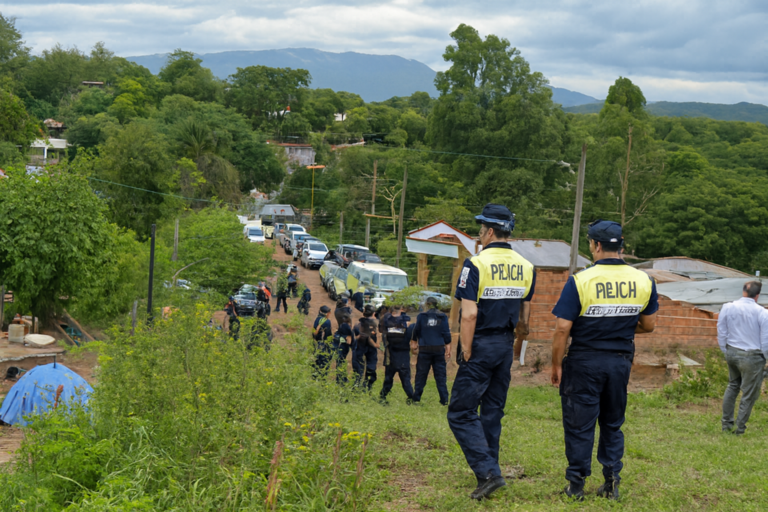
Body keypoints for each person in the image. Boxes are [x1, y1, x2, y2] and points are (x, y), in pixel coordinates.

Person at [551, 220, 658, 501]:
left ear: (596, 245)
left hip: (584, 360)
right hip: (620, 362)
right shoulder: (644, 280)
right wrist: (618, 327)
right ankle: (611, 482)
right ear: (620, 246)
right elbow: (648, 326)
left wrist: (556, 363)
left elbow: (563, 328)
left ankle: (576, 485)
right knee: (612, 423)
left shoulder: (580, 280)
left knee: (579, 423)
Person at [449, 203, 535, 501]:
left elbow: (469, 314)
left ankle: (488, 473)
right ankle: (490, 470)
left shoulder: (476, 264)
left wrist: (465, 348)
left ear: (488, 231)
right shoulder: (526, 266)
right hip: (505, 345)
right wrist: (517, 342)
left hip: (482, 342)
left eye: (480, 229)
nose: (479, 234)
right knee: (492, 411)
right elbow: (525, 313)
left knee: (460, 411)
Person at [718, 280, 768, 435]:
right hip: (752, 355)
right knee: (748, 393)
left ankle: (726, 424)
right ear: (757, 295)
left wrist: (725, 350)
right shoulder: (762, 312)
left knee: (733, 386)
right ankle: (740, 428)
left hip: (732, 351)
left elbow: (721, 330)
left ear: (743, 291)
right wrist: (766, 357)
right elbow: (765, 339)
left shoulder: (728, 307)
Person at [412, 297, 452, 405]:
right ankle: (444, 400)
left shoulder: (422, 316)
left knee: (421, 375)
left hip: (425, 348)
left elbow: (416, 330)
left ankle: (416, 398)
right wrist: (448, 346)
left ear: (427, 304)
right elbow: (446, 332)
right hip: (438, 348)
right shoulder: (442, 316)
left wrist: (414, 342)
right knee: (440, 376)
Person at [379, 305, 415, 403]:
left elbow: (382, 333)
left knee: (388, 377)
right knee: (405, 378)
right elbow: (411, 336)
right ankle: (411, 397)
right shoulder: (406, 322)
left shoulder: (386, 321)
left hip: (390, 354)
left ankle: (383, 396)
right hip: (403, 354)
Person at [353, 305, 379, 390]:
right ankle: (367, 386)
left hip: (360, 346)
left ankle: (356, 385)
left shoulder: (358, 323)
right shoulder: (376, 323)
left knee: (359, 367)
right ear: (374, 313)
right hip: (372, 347)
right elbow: (380, 335)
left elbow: (355, 334)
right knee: (371, 366)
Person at [333, 313, 355, 384]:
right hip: (345, 346)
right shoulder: (347, 327)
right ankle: (342, 379)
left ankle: (340, 379)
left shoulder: (343, 325)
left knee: (340, 362)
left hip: (342, 346)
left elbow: (338, 335)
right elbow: (350, 339)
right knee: (341, 362)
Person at [313, 306, 334, 378]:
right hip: (323, 343)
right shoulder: (327, 321)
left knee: (317, 360)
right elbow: (328, 335)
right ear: (327, 313)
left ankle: (315, 376)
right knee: (325, 361)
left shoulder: (317, 319)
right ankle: (322, 377)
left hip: (316, 342)